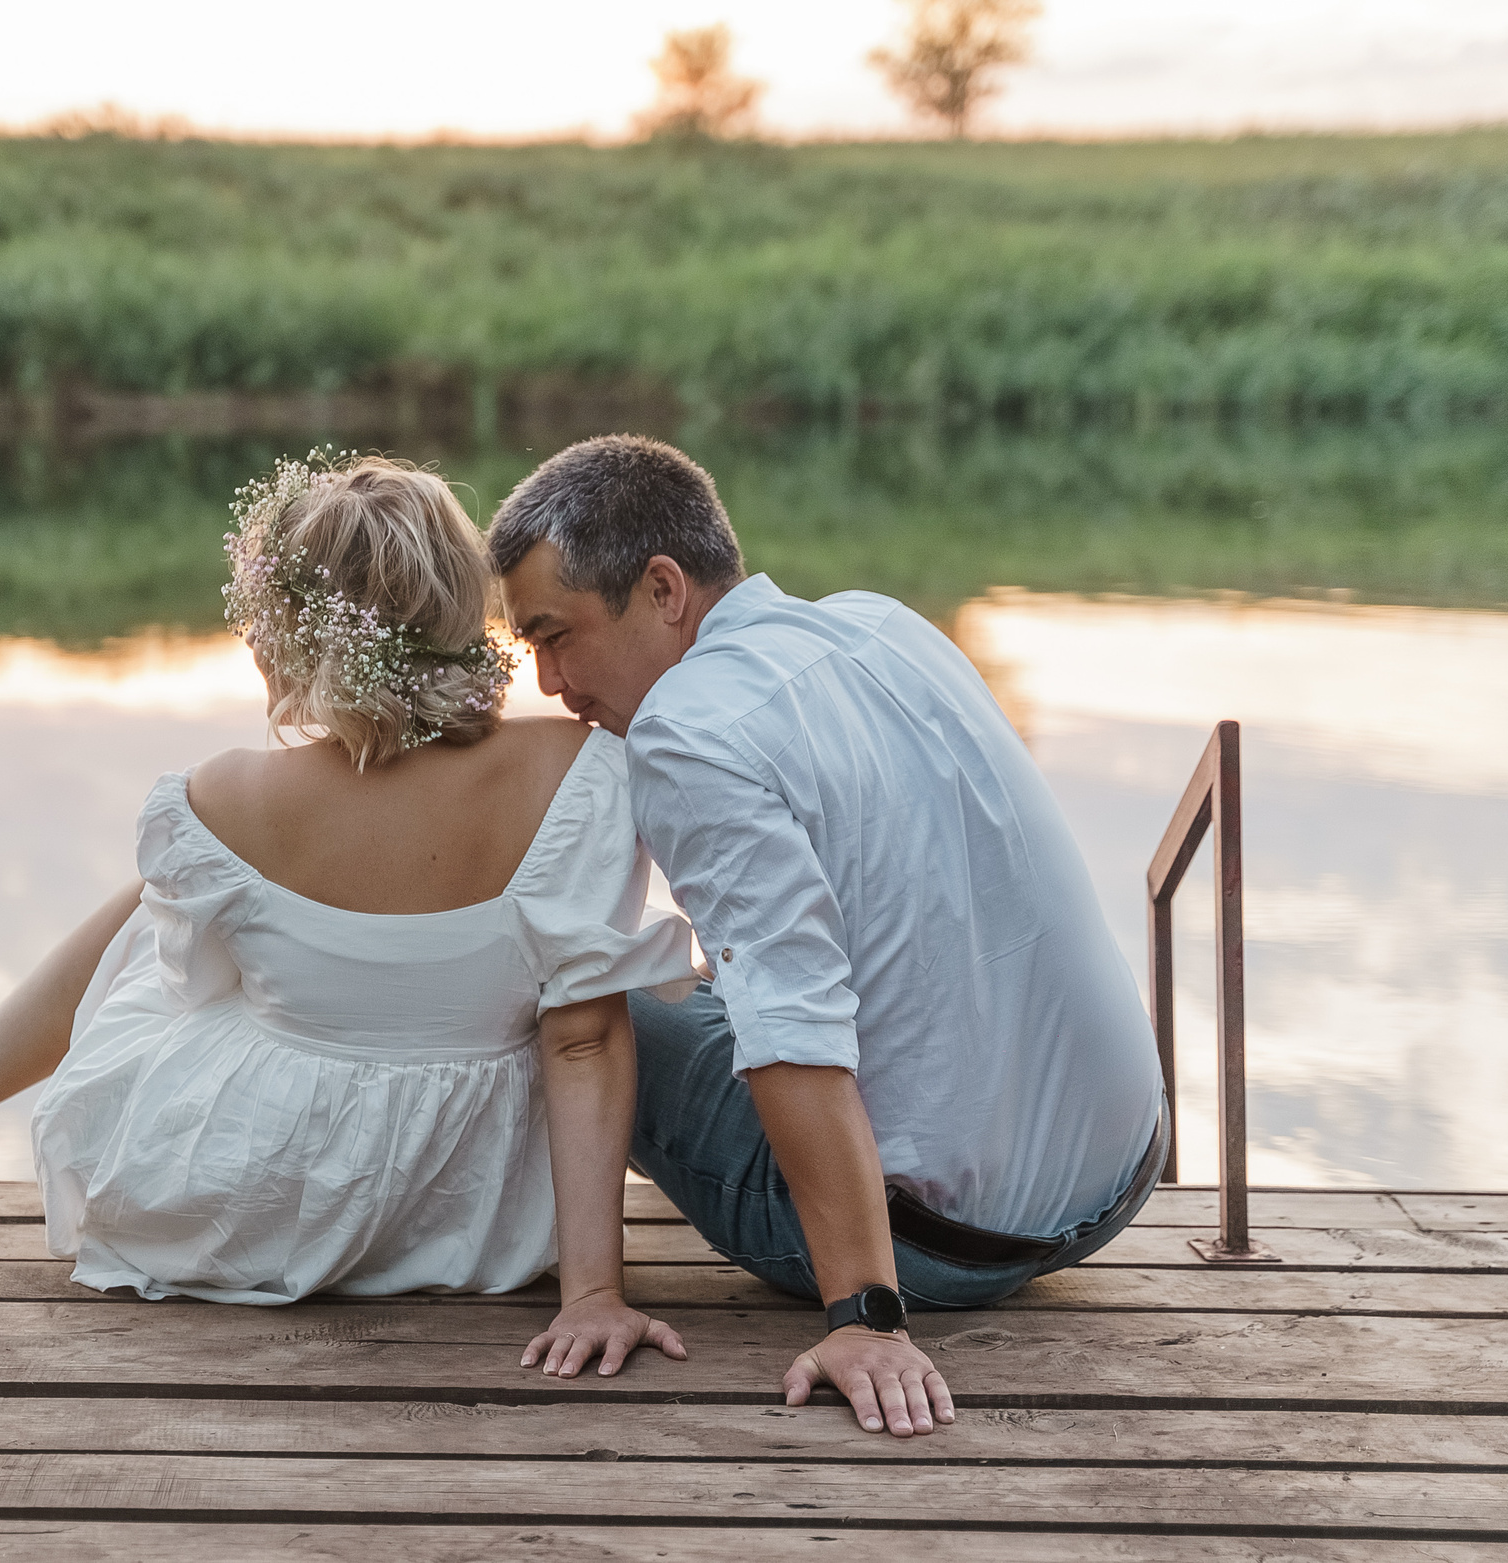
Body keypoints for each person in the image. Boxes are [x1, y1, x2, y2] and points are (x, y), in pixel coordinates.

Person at [0, 453, 700, 1378]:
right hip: (489, 1218)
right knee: (204, 899)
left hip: (268, 1210)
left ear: (298, 630)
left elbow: (189, 981)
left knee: (161, 913)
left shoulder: (224, 795)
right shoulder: (580, 767)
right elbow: (584, 1038)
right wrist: (592, 1293)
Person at [489, 434, 1167, 1438]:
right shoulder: (882, 625)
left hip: (942, 1249)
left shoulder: (684, 728)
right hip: (1120, 1173)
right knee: (703, 963)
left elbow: (791, 1020)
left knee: (572, 994)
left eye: (555, 635)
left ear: (663, 589)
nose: (547, 681)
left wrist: (867, 1318)